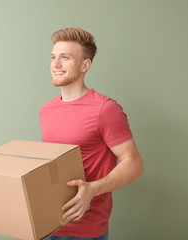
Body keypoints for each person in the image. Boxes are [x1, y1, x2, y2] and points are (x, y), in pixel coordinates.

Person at [40, 27, 144, 240]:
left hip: (83, 231)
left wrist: (93, 189)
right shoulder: (46, 110)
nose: (56, 64)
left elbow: (133, 163)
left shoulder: (105, 109)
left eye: (65, 57)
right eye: (53, 57)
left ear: (85, 65)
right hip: (46, 225)